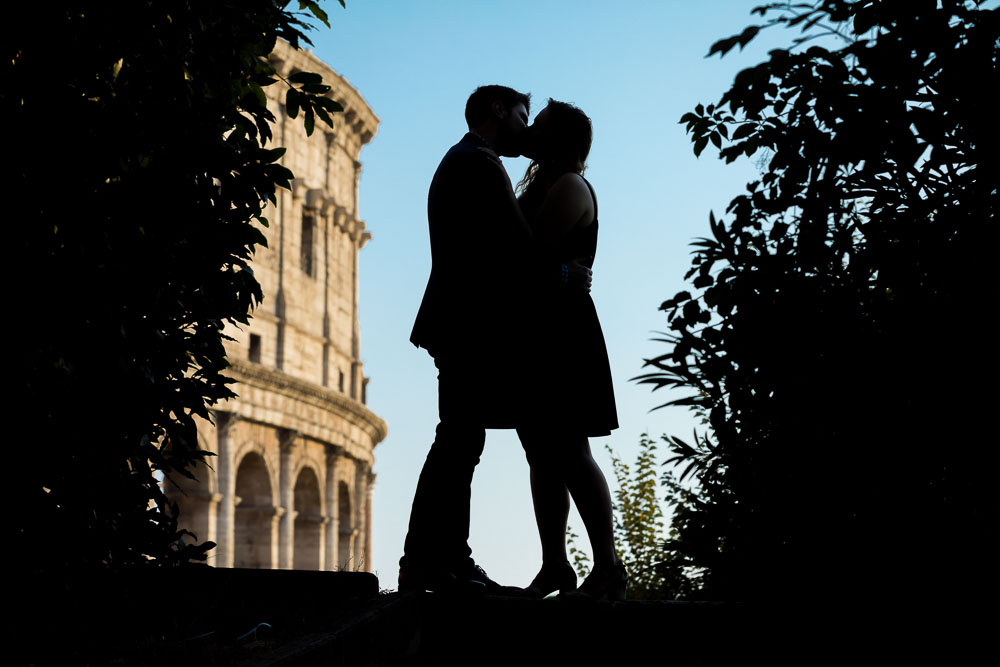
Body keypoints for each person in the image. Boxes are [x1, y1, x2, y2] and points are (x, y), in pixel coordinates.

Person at [400, 86, 592, 593]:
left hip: (459, 321)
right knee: (459, 440)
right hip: (466, 324)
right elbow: (518, 251)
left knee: (460, 439)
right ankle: (436, 560)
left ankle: (437, 558)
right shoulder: (480, 164)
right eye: (523, 115)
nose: (526, 129)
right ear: (498, 110)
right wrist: (567, 277)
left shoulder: (466, 160)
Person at [514, 99, 626, 601]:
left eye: (539, 125)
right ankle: (556, 566)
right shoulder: (547, 183)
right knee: (541, 452)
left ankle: (606, 567)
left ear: (556, 138)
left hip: (561, 330)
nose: (530, 130)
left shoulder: (569, 187)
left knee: (569, 450)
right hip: (540, 328)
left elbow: (528, 257)